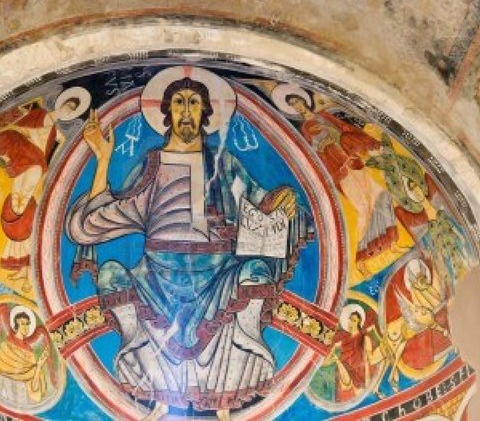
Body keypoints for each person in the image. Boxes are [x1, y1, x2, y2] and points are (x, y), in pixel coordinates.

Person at [67, 75, 307, 420]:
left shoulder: (223, 164)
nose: (186, 111)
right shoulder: (151, 166)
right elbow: (98, 222)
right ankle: (157, 391)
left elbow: (261, 203)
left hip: (218, 275)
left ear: (205, 112)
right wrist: (103, 160)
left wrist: (284, 201)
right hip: (156, 277)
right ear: (167, 112)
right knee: (111, 275)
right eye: (179, 103)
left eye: (194, 103)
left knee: (256, 272)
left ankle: (224, 398)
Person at [286, 93, 398, 275]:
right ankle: (361, 260)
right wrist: (322, 144)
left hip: (351, 160)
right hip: (337, 168)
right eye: (292, 105)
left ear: (304, 100)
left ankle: (390, 241)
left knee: (382, 195)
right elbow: (312, 154)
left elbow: (345, 129)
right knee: (363, 208)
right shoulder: (304, 129)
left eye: (297, 101)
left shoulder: (323, 115)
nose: (296, 106)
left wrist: (364, 143)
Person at [0, 99, 76, 290]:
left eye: (70, 109)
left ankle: (30, 276)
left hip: (35, 169)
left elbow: (59, 143)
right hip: (28, 166)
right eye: (67, 106)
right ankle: (23, 270)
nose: (67, 111)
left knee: (23, 219)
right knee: (18, 217)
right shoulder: (37, 118)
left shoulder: (46, 123)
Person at [0, 311, 50, 405]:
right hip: (5, 390)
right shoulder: (7, 345)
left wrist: (39, 366)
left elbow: (34, 387)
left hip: (23, 397)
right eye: (22, 324)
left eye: (27, 324)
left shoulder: (29, 352)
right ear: (16, 325)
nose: (26, 327)